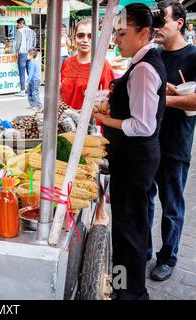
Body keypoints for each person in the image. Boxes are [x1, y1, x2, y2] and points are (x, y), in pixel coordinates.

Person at [93, 3, 166, 300]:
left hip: (136, 160)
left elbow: (143, 125)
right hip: (132, 159)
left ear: (144, 32)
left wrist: (103, 119)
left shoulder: (145, 68)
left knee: (130, 231)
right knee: (125, 228)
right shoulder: (141, 64)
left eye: (123, 34)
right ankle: (122, 289)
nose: (117, 39)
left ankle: (130, 293)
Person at [148, 0, 196, 282]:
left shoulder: (192, 56)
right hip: (149, 140)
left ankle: (168, 257)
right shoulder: (153, 54)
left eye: (162, 22)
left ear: (179, 23)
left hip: (176, 143)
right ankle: (144, 250)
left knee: (172, 205)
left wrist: (164, 98)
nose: (157, 28)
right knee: (146, 200)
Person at [60, 19, 115, 110]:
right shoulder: (67, 62)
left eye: (90, 36)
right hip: (66, 121)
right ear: (74, 38)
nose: (85, 40)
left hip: (90, 122)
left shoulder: (103, 65)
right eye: (80, 36)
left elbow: (109, 101)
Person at [14, 18, 36, 97]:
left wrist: (16, 51)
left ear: (21, 24)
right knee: (30, 71)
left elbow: (18, 43)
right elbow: (34, 44)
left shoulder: (19, 31)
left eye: (18, 24)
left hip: (22, 53)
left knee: (22, 72)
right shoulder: (32, 32)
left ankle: (22, 91)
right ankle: (32, 89)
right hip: (30, 53)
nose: (17, 26)